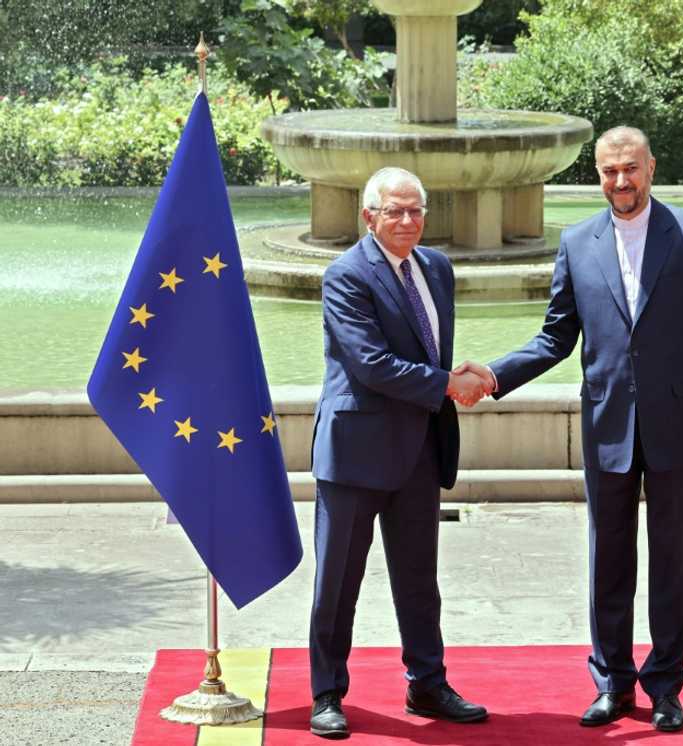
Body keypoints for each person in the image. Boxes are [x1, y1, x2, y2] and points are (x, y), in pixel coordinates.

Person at [459, 126, 683, 732]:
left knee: (672, 562)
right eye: (610, 171)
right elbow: (556, 336)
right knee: (608, 561)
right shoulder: (577, 241)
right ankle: (614, 683)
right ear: (598, 175)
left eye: (630, 168)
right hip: (606, 424)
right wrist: (494, 375)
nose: (621, 181)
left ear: (651, 167)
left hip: (676, 426)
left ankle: (665, 685)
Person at [308, 167, 490, 739]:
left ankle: (428, 684)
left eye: (416, 211)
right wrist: (446, 385)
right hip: (356, 452)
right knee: (338, 582)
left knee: (419, 578)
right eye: (395, 211)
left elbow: (432, 348)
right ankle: (327, 693)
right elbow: (370, 364)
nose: (408, 221)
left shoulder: (436, 267)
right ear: (369, 217)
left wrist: (447, 382)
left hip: (419, 449)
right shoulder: (345, 276)